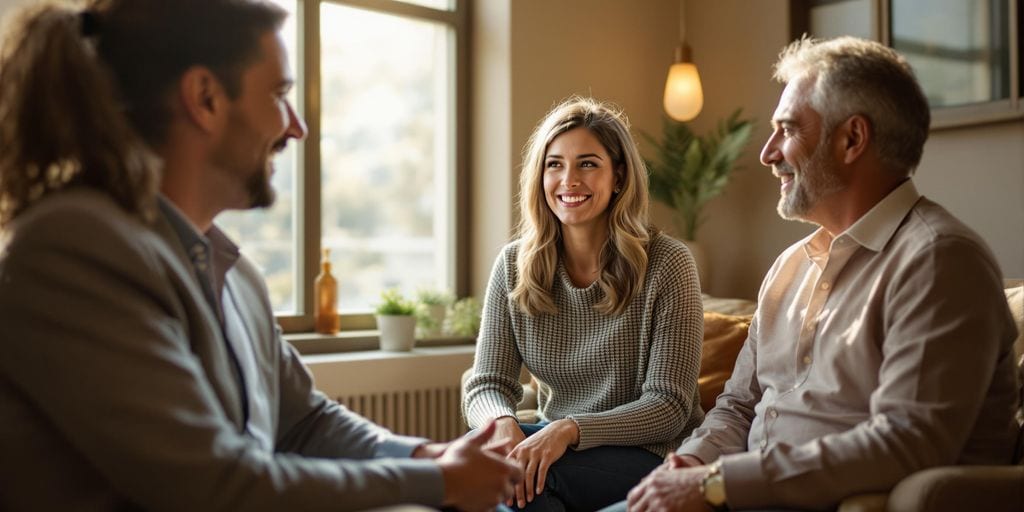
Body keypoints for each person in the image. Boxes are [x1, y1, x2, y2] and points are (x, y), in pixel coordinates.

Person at [0, 1, 520, 510]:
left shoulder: (236, 274)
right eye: (278, 94)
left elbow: (304, 421)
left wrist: (429, 453)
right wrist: (434, 482)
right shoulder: (73, 246)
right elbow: (210, 485)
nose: (298, 127)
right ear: (205, 98)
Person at [614, 36, 1020, 512]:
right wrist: (688, 465)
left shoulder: (939, 260)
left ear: (852, 139)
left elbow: (907, 441)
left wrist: (717, 483)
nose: (767, 153)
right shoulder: (789, 267)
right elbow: (739, 406)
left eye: (786, 129)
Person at [463, 96, 705, 511]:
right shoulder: (513, 265)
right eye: (554, 164)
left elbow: (669, 406)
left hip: (651, 451)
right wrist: (500, 422)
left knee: (532, 480)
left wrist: (568, 429)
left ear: (619, 177)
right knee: (467, 465)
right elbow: (487, 383)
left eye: (588, 164)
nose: (568, 180)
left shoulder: (669, 263)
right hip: (555, 439)